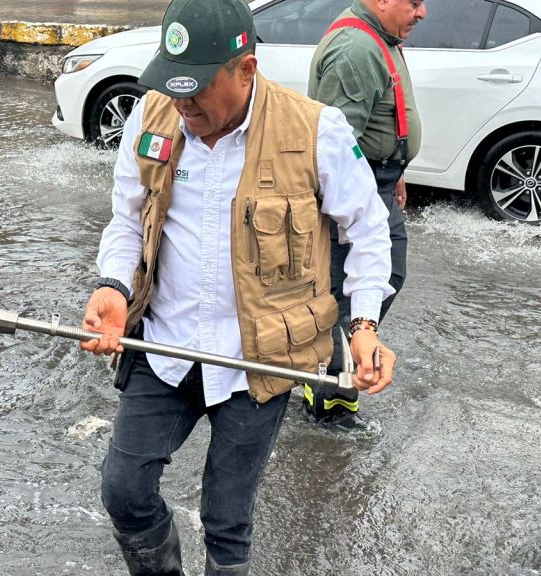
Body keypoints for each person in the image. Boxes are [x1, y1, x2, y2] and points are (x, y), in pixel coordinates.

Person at [79, 0, 397, 573]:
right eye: (172, 85)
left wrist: (365, 327)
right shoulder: (150, 119)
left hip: (262, 358)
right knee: (123, 491)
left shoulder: (316, 130)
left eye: (197, 88)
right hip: (165, 346)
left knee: (227, 519)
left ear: (245, 70)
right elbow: (127, 220)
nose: (183, 103)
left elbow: (369, 231)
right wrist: (113, 288)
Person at [304, 0, 425, 429]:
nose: (422, 12)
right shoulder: (356, 48)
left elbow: (380, 118)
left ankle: (330, 379)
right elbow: (335, 149)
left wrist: (398, 171)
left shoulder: (381, 37)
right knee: (348, 294)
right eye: (414, 2)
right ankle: (327, 399)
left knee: (382, 277)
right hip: (361, 187)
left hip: (380, 181)